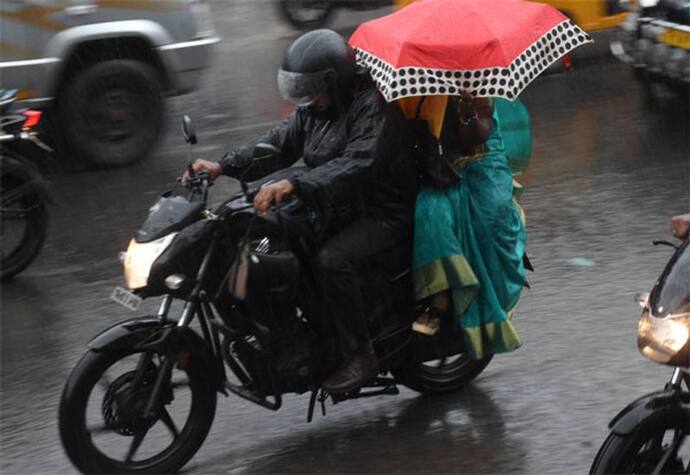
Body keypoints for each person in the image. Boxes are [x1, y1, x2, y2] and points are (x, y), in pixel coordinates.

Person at [188, 29, 417, 393]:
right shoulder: (319, 109)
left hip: (383, 208)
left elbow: (358, 163)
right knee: (272, 243)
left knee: (330, 259)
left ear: (334, 79)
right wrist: (223, 166)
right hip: (340, 201)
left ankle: (361, 355)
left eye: (311, 89)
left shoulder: (373, 105)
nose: (305, 99)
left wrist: (295, 185)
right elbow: (279, 144)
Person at [410, 92, 527, 361]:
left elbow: (477, 137)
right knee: (429, 209)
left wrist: (467, 110)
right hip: (443, 168)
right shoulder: (425, 88)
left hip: (483, 166)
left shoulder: (479, 89)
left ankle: (444, 302)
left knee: (488, 219)